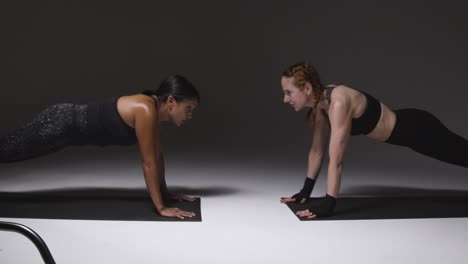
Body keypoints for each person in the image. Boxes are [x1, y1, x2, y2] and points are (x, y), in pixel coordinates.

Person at [279, 62, 468, 219]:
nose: (285, 99)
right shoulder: (321, 106)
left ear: (307, 88)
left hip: (419, 130)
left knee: (462, 155)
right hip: (410, 134)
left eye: (288, 92)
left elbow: (336, 159)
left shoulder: (338, 102)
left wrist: (329, 203)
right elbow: (317, 150)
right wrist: (305, 191)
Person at [0, 75, 199, 219]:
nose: (189, 115)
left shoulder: (153, 114)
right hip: (60, 123)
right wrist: (161, 208)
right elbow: (148, 163)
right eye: (188, 109)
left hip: (66, 136)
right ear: (171, 101)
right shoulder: (146, 109)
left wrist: (166, 194)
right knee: (6, 151)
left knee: (9, 152)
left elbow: (158, 157)